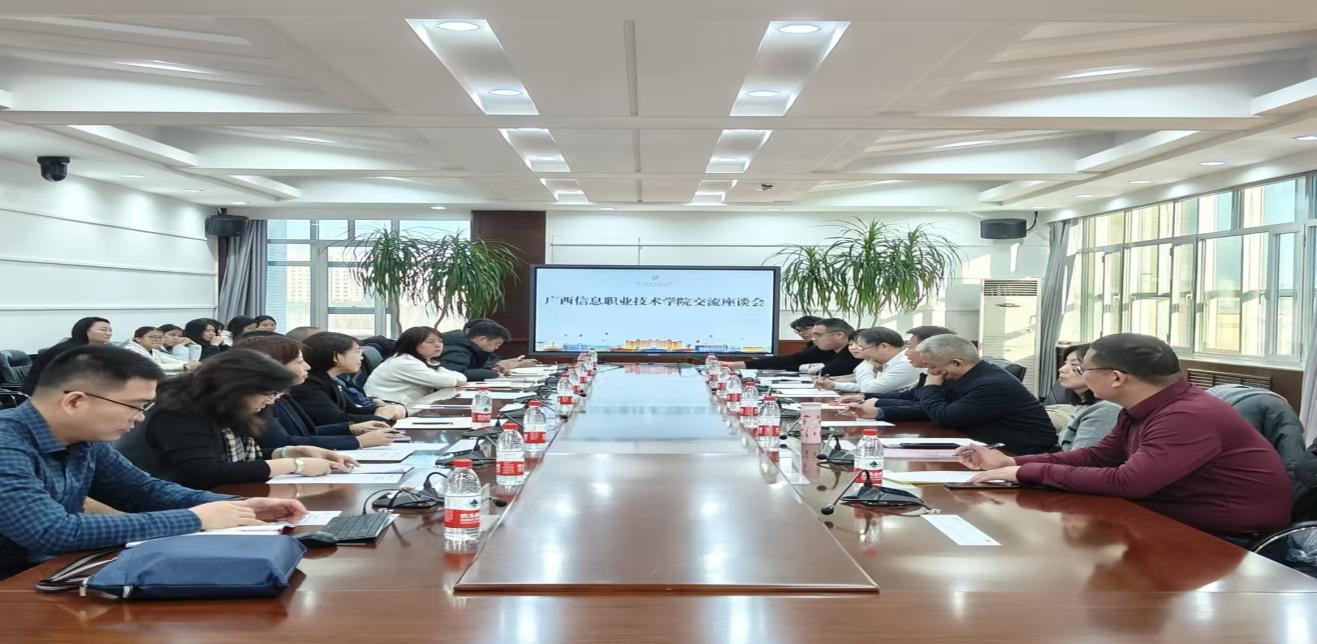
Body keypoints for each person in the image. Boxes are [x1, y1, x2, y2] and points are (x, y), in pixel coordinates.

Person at [0, 345, 307, 578]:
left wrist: (237, 505)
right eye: (135, 406)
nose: (139, 418)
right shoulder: (7, 441)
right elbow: (50, 530)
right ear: (75, 401)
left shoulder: (84, 440)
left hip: (48, 574)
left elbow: (143, 491)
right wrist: (197, 518)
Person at [958, 333, 1292, 535]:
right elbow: (1099, 456)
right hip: (1170, 516)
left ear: (1116, 377)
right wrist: (1012, 462)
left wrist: (1025, 473)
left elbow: (1129, 482)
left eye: (1084, 369)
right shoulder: (1144, 407)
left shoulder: (1186, 415)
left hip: (1224, 536)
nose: (1079, 375)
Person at [126, 350, 358, 490]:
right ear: (236, 389)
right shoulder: (180, 413)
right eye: (268, 393)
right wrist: (295, 465)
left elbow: (238, 462)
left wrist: (292, 452)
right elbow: (203, 473)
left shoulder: (224, 410)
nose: (271, 401)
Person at [234, 335, 400, 450]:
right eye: (299, 362)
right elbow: (282, 443)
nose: (307, 367)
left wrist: (352, 429)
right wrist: (356, 441)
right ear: (272, 366)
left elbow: (308, 431)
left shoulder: (282, 394)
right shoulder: (258, 401)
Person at [901, 334, 1057, 454]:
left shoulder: (992, 384)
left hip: (1022, 455)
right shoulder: (964, 376)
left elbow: (945, 417)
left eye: (932, 366)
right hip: (987, 448)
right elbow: (927, 408)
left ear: (957, 363)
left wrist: (930, 387)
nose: (930, 372)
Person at [289, 332, 408, 425]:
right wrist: (380, 417)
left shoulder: (330, 379)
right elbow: (334, 419)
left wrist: (389, 409)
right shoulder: (309, 385)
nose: (361, 358)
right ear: (336, 356)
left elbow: (350, 410)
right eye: (357, 352)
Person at [840, 325, 954, 419]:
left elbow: (925, 408)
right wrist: (865, 397)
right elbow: (910, 396)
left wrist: (878, 408)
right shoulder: (931, 373)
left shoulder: (950, 378)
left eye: (910, 347)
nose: (906, 353)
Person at [367, 327, 468, 404]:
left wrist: (455, 381)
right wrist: (454, 381)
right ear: (412, 344)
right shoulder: (404, 362)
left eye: (440, 341)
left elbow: (461, 377)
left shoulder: (425, 361)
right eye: (430, 342)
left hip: (404, 405)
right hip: (386, 406)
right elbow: (441, 381)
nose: (438, 345)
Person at [1050, 343, 1120, 451]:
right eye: (1065, 363)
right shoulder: (1084, 405)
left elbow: (1082, 458)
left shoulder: (1106, 410)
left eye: (1074, 365)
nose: (1062, 369)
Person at [813, 327, 920, 395]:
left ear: (883, 346)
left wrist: (866, 364)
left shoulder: (905, 363)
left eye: (862, 347)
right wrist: (834, 385)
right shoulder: (890, 360)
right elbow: (870, 385)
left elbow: (869, 389)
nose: (860, 351)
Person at [20, 317, 114, 395]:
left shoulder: (93, 349)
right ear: (85, 331)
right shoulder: (68, 350)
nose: (108, 333)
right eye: (103, 330)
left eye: (110, 330)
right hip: (45, 394)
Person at [720, 315, 823, 370]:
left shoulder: (823, 348)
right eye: (798, 331)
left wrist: (737, 364)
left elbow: (793, 361)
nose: (801, 333)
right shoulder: (811, 346)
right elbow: (793, 361)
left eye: (806, 329)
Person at [439, 319, 512, 381]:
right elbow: (454, 373)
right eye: (496, 344)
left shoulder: (473, 349)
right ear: (482, 339)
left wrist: (491, 368)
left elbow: (470, 368)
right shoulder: (458, 350)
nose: (497, 348)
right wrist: (494, 374)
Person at [122, 326, 196, 373]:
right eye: (152, 337)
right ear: (138, 339)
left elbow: (170, 361)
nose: (157, 340)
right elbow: (151, 366)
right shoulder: (131, 350)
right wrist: (184, 366)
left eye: (160, 337)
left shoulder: (153, 351)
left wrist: (190, 364)